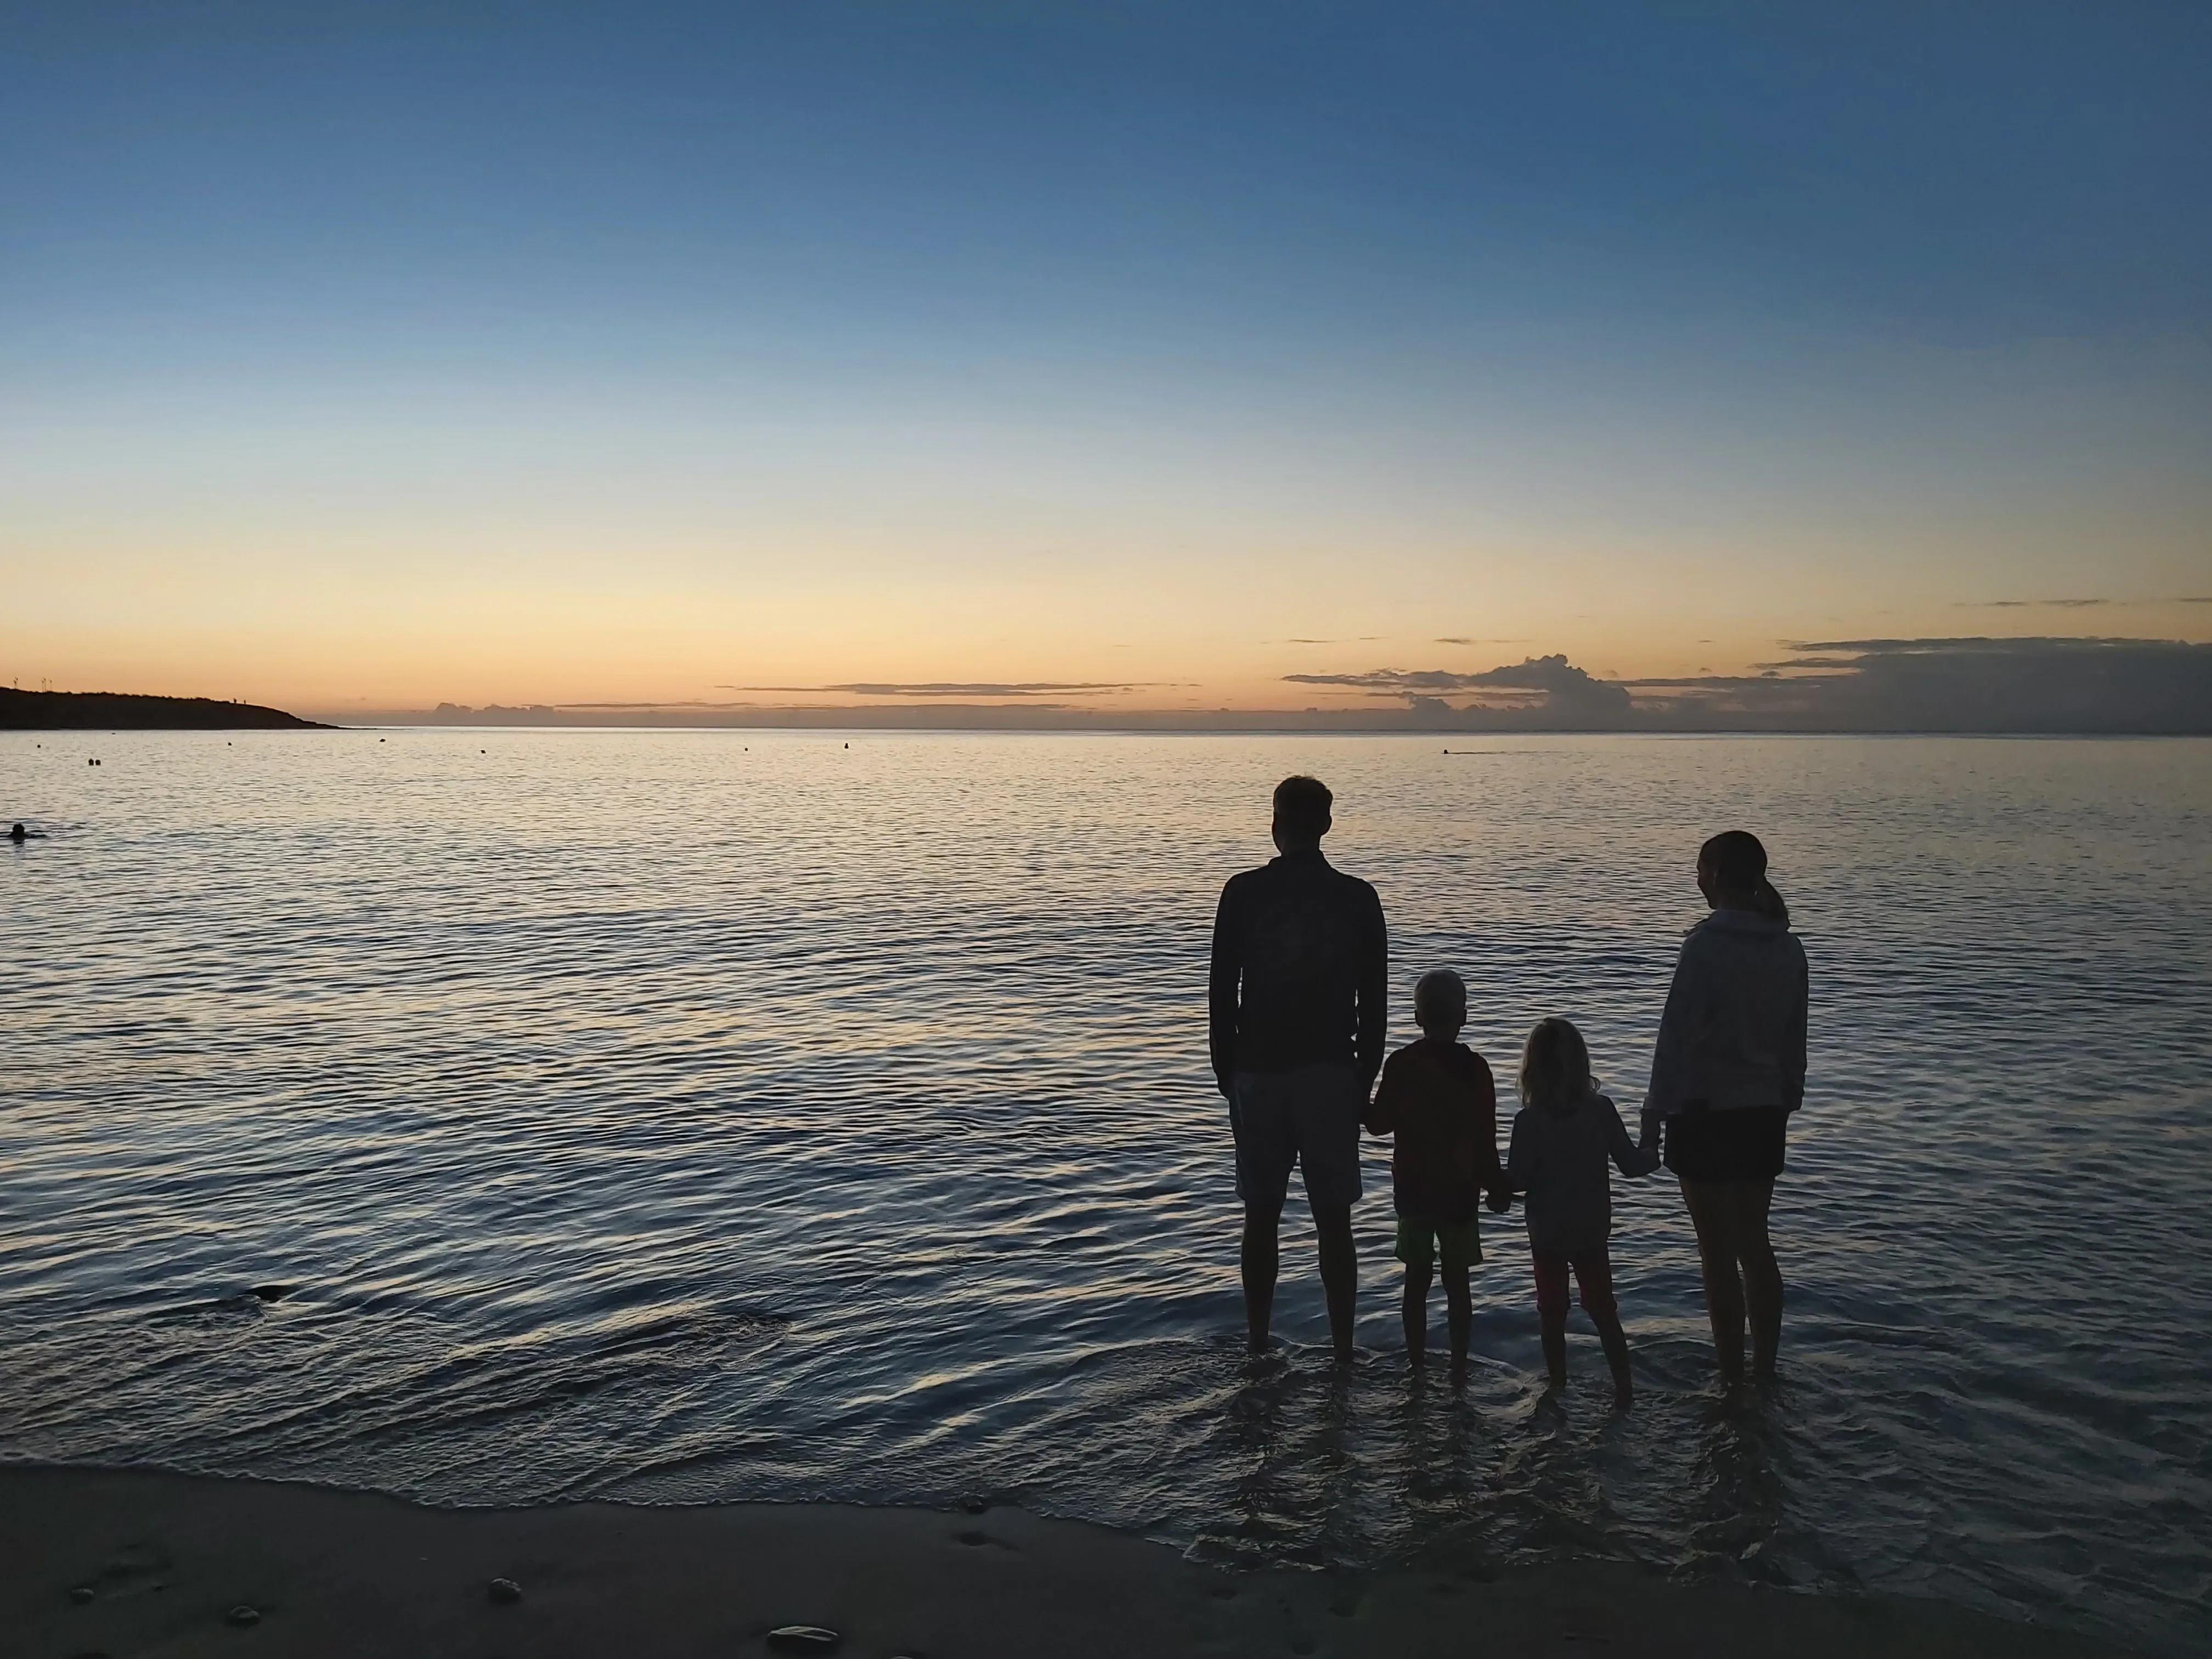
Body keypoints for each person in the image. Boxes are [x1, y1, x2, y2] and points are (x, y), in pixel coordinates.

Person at [1210, 774, 1387, 1362]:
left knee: (1261, 1215)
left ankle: (1259, 1345)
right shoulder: (1358, 898)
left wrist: (1226, 1074)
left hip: (1258, 1072)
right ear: (1328, 825)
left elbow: (1220, 993)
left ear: (1274, 822)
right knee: (1333, 1220)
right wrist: (1364, 1078)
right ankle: (1341, 1351)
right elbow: (1377, 1002)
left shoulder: (1242, 892)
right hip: (1331, 1073)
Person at [1640, 831, 1808, 1390]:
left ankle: (1732, 1381)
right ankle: (1765, 1371)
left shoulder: (1706, 945)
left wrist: (1653, 1113)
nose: (1696, 878)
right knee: (1755, 1243)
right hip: (1763, 1113)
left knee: (1716, 1253)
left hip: (1705, 1112)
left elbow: (1676, 1038)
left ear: (1713, 875)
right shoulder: (1788, 947)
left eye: (1699, 868)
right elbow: (1794, 1043)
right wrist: (1787, 1098)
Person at [1500, 1017, 1658, 1408]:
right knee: (1604, 1310)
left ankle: (1557, 1386)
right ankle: (1624, 1389)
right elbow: (1634, 1166)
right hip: (1590, 1230)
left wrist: (1488, 1178)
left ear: (1531, 1069)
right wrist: (1652, 1138)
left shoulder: (1529, 1122)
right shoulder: (1601, 1111)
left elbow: (1517, 1180)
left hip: (1547, 1233)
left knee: (1552, 1311)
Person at [1365, 968, 1505, 1379]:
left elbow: (1377, 1124)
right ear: (1464, 1017)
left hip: (1413, 1192)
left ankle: (1417, 1363)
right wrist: (1496, 1187)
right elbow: (1485, 1139)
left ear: (1417, 1018)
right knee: (1457, 1284)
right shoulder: (1476, 1071)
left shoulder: (1403, 1064)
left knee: (1416, 1282)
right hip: (1460, 1194)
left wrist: (1355, 1093)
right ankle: (1459, 1366)